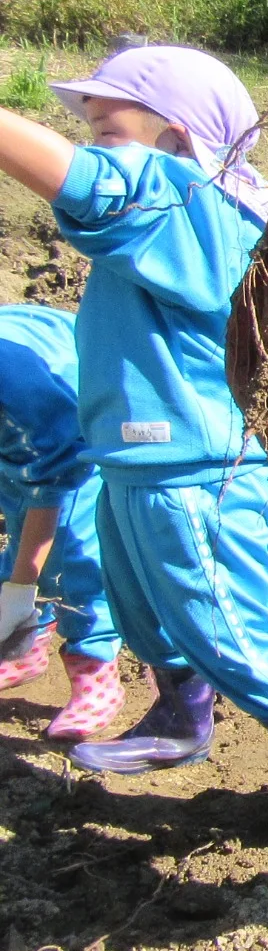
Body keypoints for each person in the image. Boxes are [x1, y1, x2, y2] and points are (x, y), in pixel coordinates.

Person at [0, 46, 268, 881]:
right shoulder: (179, 207)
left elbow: (96, 184)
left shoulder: (185, 201)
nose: (91, 148)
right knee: (144, 614)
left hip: (193, 481)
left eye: (107, 130)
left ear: (175, 139)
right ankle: (181, 714)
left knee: (233, 638)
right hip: (137, 465)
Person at [0, 303, 125, 738]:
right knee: (20, 516)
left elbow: (54, 483)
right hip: (25, 430)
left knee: (73, 550)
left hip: (71, 420)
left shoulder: (19, 396)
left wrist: (18, 588)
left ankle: (95, 670)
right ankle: (22, 643)